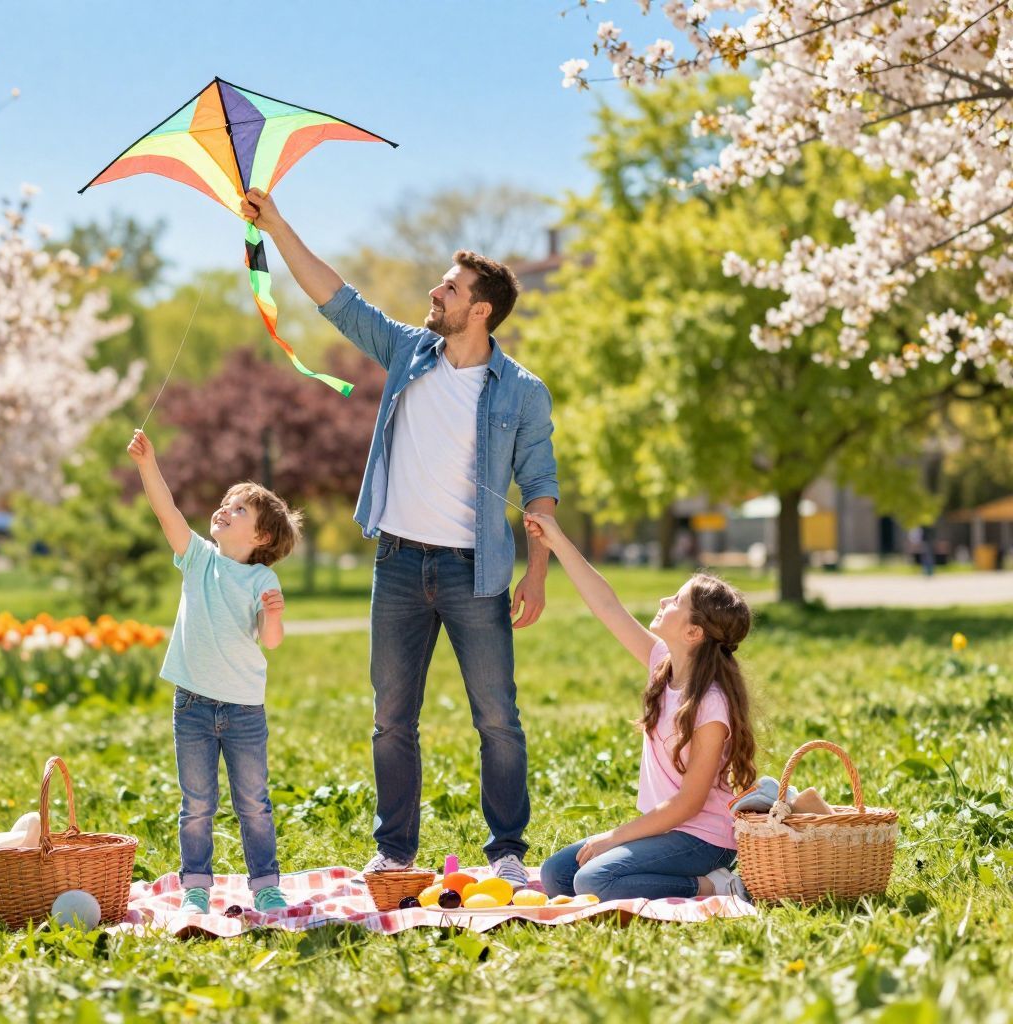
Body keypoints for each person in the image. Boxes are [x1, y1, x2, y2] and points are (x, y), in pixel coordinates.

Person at [240, 188, 559, 887]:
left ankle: (507, 847)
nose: (434, 292)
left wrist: (536, 574)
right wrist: (279, 225)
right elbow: (338, 299)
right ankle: (397, 851)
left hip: (475, 574)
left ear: (480, 310)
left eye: (449, 288)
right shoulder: (410, 352)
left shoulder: (523, 392)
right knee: (391, 718)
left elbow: (541, 488)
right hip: (397, 564)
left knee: (497, 717)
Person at [524, 511, 757, 901]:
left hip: (707, 841)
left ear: (693, 632)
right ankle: (688, 879)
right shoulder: (661, 665)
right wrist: (556, 540)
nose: (664, 600)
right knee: (556, 875)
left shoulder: (711, 704)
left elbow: (689, 804)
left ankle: (718, 884)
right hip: (669, 830)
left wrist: (612, 838)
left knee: (593, 882)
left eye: (677, 600)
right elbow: (607, 605)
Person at [127, 428, 301, 913]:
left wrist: (274, 614)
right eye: (226, 502)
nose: (225, 509)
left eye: (239, 509)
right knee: (197, 805)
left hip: (244, 709)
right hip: (193, 705)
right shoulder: (198, 559)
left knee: (254, 804)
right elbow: (168, 512)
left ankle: (265, 883)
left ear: (261, 536)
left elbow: (271, 642)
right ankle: (196, 889)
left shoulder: (262, 578)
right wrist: (148, 464)